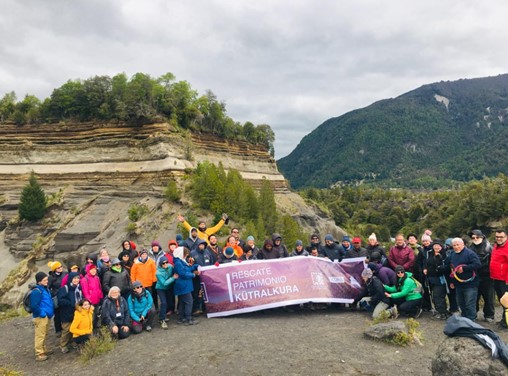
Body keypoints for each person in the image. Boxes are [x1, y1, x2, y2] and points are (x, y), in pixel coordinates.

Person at [445, 237, 481, 321]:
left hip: (470, 284)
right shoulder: (452, 254)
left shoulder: (470, 253)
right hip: (458, 284)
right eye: (454, 245)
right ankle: (465, 320)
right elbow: (451, 268)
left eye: (458, 245)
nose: (456, 247)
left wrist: (464, 268)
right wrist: (452, 281)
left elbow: (478, 264)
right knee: (461, 303)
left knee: (469, 303)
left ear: (463, 244)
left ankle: (471, 320)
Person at [468, 229, 495, 322]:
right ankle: (473, 314)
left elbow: (493, 262)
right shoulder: (469, 248)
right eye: (473, 237)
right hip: (474, 276)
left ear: (482, 237)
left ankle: (489, 315)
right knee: (473, 296)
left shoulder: (489, 247)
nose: (475, 238)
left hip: (487, 276)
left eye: (477, 237)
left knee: (488, 296)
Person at [30, 271, 54, 361]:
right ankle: (39, 353)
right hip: (41, 317)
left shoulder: (45, 289)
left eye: (47, 279)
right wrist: (42, 313)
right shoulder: (37, 291)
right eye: (44, 280)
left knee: (44, 333)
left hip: (46, 316)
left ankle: (43, 349)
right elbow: (34, 305)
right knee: (40, 334)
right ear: (39, 281)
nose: (46, 281)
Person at [423, 239, 449, 320]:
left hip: (440, 279)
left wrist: (440, 268)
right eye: (435, 245)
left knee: (438, 296)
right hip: (431, 278)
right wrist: (425, 268)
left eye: (438, 245)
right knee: (435, 296)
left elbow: (447, 267)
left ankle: (442, 313)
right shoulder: (430, 253)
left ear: (441, 246)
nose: (436, 247)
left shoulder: (444, 255)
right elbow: (426, 263)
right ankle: (441, 311)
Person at [173, 246, 200, 325]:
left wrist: (195, 266)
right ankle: (188, 318)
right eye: (186, 254)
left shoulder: (180, 261)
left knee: (182, 301)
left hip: (183, 285)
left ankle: (181, 318)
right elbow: (183, 273)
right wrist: (193, 275)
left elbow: (187, 269)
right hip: (183, 285)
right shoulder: (178, 262)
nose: (186, 256)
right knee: (189, 301)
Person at [57, 272, 82, 353]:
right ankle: (63, 345)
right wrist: (71, 303)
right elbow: (60, 300)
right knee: (67, 330)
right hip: (66, 313)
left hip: (76, 312)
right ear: (70, 279)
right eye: (74, 278)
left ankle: (73, 342)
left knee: (75, 328)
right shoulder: (65, 288)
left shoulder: (79, 288)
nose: (76, 280)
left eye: (77, 278)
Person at [490, 229, 508, 329]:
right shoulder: (496, 246)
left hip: (505, 280)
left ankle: (505, 323)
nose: (499, 239)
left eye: (501, 237)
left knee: (506, 301)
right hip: (496, 278)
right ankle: (504, 319)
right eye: (497, 237)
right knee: (502, 301)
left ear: (506, 237)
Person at [190, 239, 214, 314]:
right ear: (197, 245)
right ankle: (196, 309)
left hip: (206, 277)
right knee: (197, 293)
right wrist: (194, 271)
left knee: (205, 292)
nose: (202, 246)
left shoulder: (207, 252)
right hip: (196, 277)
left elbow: (211, 262)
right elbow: (190, 265)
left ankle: (204, 308)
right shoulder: (192, 253)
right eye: (200, 244)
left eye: (203, 244)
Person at [155, 256, 178, 329]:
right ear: (160, 264)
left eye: (166, 262)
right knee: (164, 303)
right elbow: (164, 283)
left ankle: (164, 316)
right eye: (163, 263)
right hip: (161, 288)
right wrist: (173, 278)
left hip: (169, 288)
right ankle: (162, 319)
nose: (165, 264)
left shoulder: (170, 266)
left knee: (170, 302)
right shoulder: (158, 273)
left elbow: (175, 271)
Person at [47, 261, 65, 337]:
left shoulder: (65, 274)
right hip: (56, 298)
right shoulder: (51, 277)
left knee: (64, 313)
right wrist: (53, 294)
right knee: (57, 314)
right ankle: (58, 330)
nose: (61, 268)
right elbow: (47, 288)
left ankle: (64, 328)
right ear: (55, 269)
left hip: (64, 296)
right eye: (58, 267)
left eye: (61, 266)